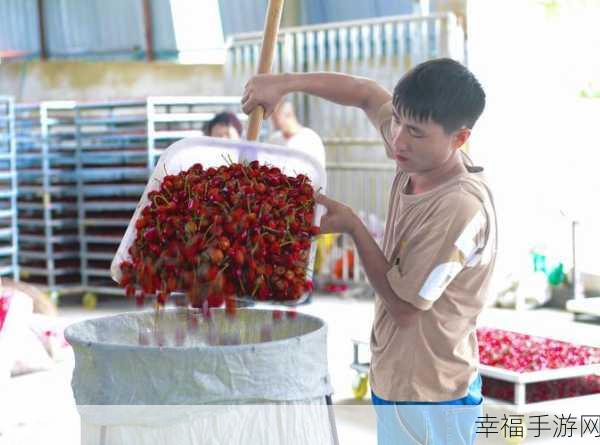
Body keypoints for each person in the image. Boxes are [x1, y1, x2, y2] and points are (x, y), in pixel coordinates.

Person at [242, 58, 497, 445]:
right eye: (396, 121)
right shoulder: (418, 156)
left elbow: (405, 309)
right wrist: (284, 83)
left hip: (430, 395)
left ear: (459, 139)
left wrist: (354, 228)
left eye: (414, 132)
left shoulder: (457, 207)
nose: (397, 141)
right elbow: (363, 93)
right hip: (399, 380)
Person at [267, 101, 326, 169]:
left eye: (275, 117)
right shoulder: (274, 139)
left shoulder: (310, 138)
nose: (273, 121)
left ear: (289, 114)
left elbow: (317, 170)